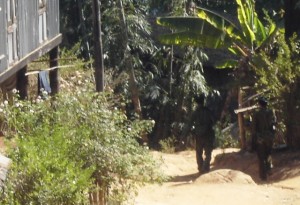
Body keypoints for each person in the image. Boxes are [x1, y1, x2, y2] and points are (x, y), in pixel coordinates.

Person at [182, 94, 215, 174]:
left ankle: (200, 167)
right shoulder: (208, 111)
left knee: (199, 152)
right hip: (208, 134)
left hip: (199, 135)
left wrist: (184, 136)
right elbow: (213, 121)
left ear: (197, 102)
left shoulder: (195, 112)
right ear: (203, 101)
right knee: (208, 152)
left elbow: (189, 124)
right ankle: (206, 167)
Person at [251, 96, 276, 180]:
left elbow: (254, 129)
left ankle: (263, 176)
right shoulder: (271, 112)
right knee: (269, 153)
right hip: (270, 137)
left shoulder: (256, 114)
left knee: (261, 157)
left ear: (259, 104)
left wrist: (253, 141)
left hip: (260, 138)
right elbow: (274, 124)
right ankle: (269, 168)